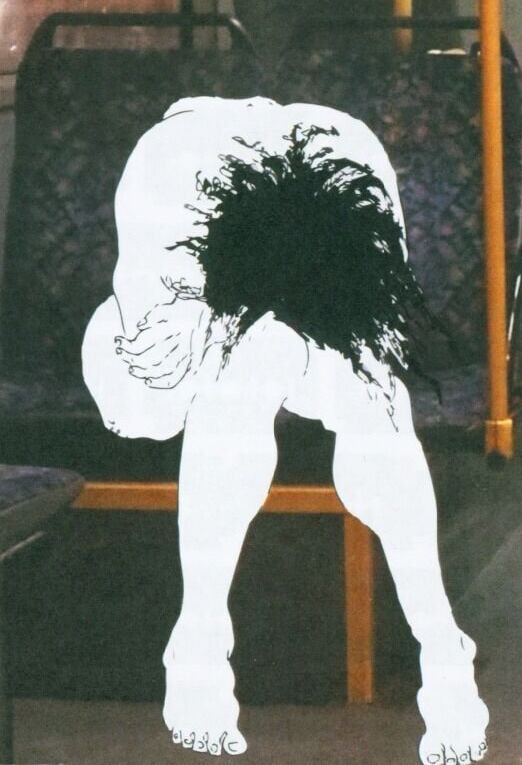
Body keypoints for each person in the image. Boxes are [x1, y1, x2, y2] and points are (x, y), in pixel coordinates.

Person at [82, 96, 489, 762]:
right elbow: (146, 388)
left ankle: (442, 643)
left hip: (320, 217)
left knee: (374, 399)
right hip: (187, 268)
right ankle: (199, 633)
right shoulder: (166, 183)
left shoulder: (352, 176)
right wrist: (192, 330)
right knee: (157, 408)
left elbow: (377, 342)